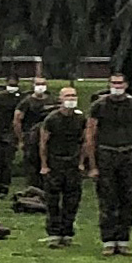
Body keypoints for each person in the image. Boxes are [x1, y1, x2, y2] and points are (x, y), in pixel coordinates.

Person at [86, 73, 132, 254]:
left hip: (128, 153)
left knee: (127, 199)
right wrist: (92, 165)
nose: (117, 86)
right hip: (106, 153)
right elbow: (90, 134)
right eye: (113, 83)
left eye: (120, 83)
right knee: (107, 199)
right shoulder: (99, 106)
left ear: (126, 84)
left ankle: (123, 240)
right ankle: (108, 240)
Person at [38, 85, 91, 247]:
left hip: (73, 165)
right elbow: (43, 143)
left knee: (72, 200)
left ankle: (67, 232)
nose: (71, 99)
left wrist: (82, 163)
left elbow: (84, 142)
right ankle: (54, 232)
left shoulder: (81, 119)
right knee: (52, 200)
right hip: (55, 164)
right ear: (60, 99)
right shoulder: (52, 119)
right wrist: (44, 165)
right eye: (67, 96)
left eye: (73, 96)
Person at [15, 76, 53, 190]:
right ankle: (32, 189)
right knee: (32, 165)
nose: (41, 86)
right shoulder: (26, 102)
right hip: (31, 138)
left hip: (48, 139)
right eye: (38, 84)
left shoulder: (51, 100)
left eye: (43, 83)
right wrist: (21, 138)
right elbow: (17, 120)